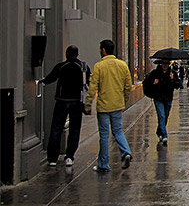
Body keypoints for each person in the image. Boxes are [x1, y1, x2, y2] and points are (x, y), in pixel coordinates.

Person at [84, 39, 133, 172]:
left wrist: (88, 105)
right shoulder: (122, 65)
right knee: (118, 131)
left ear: (103, 50)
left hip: (104, 106)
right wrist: (124, 99)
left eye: (101, 49)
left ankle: (103, 164)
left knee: (104, 135)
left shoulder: (99, 66)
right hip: (117, 104)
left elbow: (92, 88)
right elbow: (128, 85)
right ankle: (126, 152)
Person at [39, 45, 90, 167]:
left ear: (67, 54)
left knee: (56, 128)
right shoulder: (83, 67)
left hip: (62, 101)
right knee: (75, 129)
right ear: (77, 54)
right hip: (77, 102)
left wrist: (43, 81)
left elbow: (51, 78)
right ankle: (69, 157)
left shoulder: (61, 66)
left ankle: (52, 158)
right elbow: (88, 82)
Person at [144, 60, 181, 145]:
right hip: (158, 98)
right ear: (161, 64)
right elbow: (148, 84)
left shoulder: (172, 73)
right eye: (163, 63)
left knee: (165, 116)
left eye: (166, 63)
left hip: (168, 98)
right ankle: (164, 136)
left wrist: (173, 79)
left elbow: (177, 85)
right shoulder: (155, 73)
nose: (165, 65)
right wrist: (154, 83)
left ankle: (159, 131)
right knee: (162, 116)